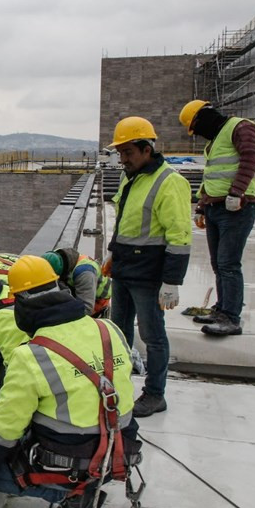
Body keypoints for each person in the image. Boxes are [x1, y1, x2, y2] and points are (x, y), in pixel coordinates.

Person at [0, 255, 141, 508]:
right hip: (121, 449)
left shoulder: (31, 357)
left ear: (21, 304)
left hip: (77, 458)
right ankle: (93, 480)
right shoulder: (109, 329)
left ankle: (78, 495)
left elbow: (4, 432)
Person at [106, 116, 192, 418]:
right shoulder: (129, 177)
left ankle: (155, 394)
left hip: (148, 274)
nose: (123, 159)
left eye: (128, 152)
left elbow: (180, 236)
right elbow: (124, 222)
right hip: (125, 269)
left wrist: (172, 281)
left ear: (146, 149)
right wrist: (113, 254)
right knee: (118, 333)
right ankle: (118, 386)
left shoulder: (170, 182)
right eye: (120, 153)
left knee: (153, 336)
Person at [179, 100, 255, 336]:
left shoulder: (240, 127)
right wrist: (202, 206)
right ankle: (222, 309)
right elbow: (212, 177)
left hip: (236, 208)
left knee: (229, 264)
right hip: (216, 207)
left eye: (195, 127)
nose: (198, 134)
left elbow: (250, 159)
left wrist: (237, 192)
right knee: (218, 264)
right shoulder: (216, 141)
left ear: (203, 118)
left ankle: (231, 317)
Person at [43, 248, 111, 316]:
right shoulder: (56, 257)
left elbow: (86, 309)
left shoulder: (85, 273)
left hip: (97, 301)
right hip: (78, 287)